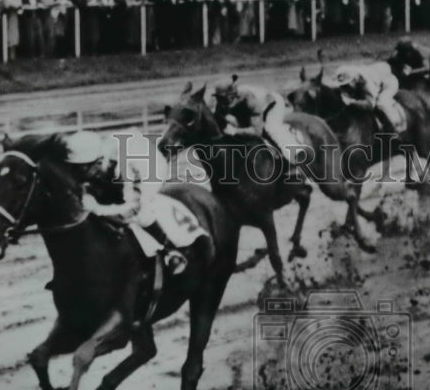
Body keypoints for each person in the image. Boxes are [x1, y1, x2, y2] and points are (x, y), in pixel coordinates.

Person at [64, 131, 196, 276]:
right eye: (72, 168)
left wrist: (97, 209)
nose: (75, 174)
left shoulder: (124, 170)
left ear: (99, 162)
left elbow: (131, 210)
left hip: (149, 168)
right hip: (118, 153)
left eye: (80, 168)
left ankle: (171, 251)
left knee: (142, 213)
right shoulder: (92, 164)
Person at [212, 76, 307, 176]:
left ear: (231, 95)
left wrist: (235, 131)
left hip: (272, 105)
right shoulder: (224, 101)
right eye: (218, 98)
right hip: (252, 108)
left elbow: (257, 131)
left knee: (270, 129)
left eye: (222, 98)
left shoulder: (250, 101)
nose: (220, 101)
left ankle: (290, 163)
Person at [389, 36, 430, 122]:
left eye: (404, 51)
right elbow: (391, 60)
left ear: (409, 49)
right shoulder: (401, 51)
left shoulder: (419, 52)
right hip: (421, 64)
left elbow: (426, 68)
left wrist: (411, 72)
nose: (402, 53)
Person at [328, 61, 401, 134]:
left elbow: (370, 104)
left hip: (388, 84)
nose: (344, 87)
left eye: (346, 84)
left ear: (354, 80)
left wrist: (352, 103)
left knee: (381, 103)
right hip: (375, 79)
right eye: (343, 85)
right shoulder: (350, 80)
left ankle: (393, 127)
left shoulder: (366, 84)